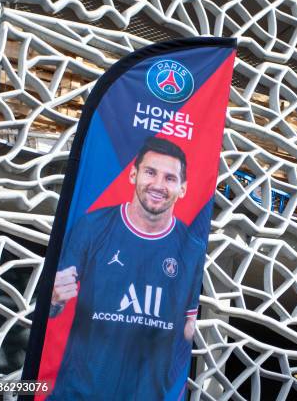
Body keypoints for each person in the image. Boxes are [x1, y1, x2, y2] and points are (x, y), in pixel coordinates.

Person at [47, 137, 206, 400]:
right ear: (133, 174)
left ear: (183, 188)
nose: (158, 185)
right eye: (150, 172)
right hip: (78, 393)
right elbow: (54, 309)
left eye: (169, 178)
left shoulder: (192, 248)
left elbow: (188, 328)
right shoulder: (91, 226)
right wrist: (52, 299)